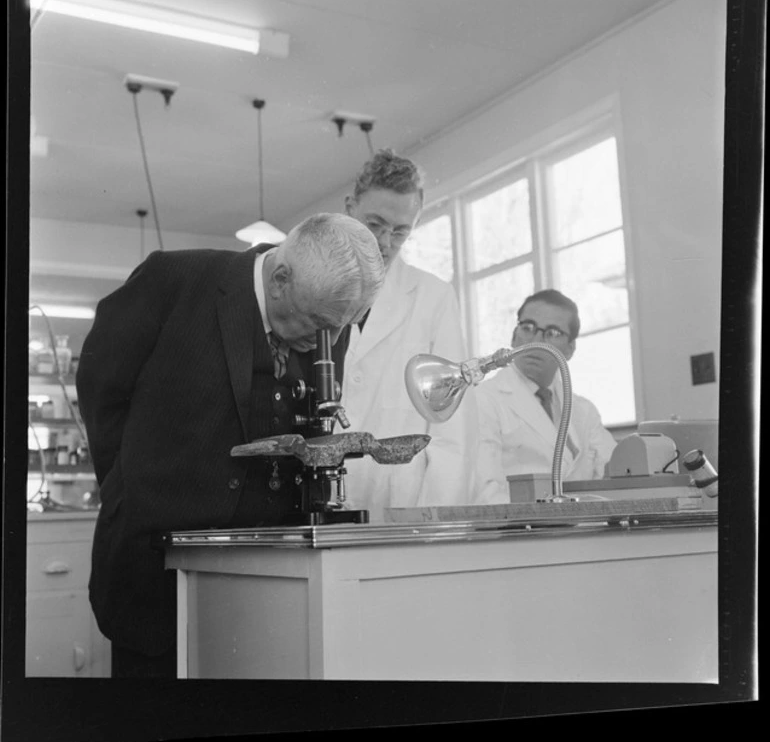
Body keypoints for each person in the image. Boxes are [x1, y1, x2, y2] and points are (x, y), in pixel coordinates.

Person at [76, 213, 384, 677]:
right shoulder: (174, 280)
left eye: (344, 326)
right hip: (154, 575)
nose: (331, 341)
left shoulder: (325, 316)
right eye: (320, 323)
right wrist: (126, 489)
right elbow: (102, 391)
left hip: (270, 587)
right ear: (280, 279)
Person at [340, 149, 478, 523]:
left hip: (399, 500)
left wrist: (435, 523)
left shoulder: (433, 297)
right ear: (350, 208)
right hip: (320, 494)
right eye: (375, 224)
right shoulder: (314, 284)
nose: (385, 243)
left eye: (400, 232)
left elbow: (451, 427)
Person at [472, 289, 616, 504]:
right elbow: (485, 490)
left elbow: (615, 471)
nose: (536, 340)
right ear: (513, 336)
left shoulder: (584, 411)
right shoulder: (483, 400)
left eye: (553, 332)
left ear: (570, 348)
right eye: (528, 328)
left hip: (585, 527)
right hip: (523, 531)